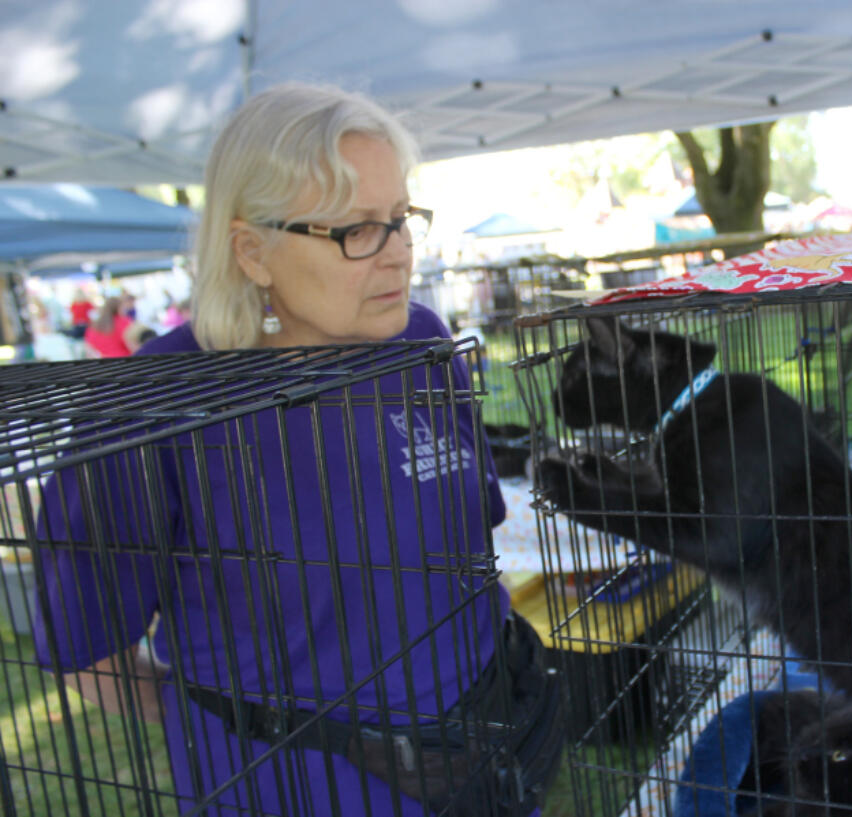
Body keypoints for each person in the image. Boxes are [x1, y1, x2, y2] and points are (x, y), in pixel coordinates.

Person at [34, 83, 561, 817]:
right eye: (355, 230)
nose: (398, 254)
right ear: (251, 250)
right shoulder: (148, 406)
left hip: (485, 755)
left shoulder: (423, 343)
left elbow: (469, 544)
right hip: (301, 785)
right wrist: (223, 724)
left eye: (401, 219)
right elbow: (85, 640)